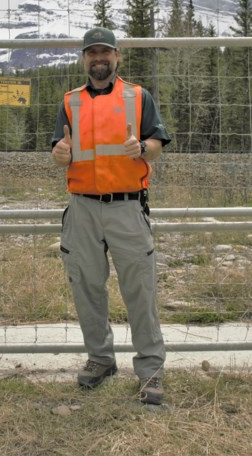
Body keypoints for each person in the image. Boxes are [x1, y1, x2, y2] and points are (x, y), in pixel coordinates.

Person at [50, 26, 171, 406]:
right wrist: (59, 154)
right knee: (86, 285)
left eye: (105, 53)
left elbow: (157, 144)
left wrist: (144, 147)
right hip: (83, 208)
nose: (99, 59)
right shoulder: (70, 101)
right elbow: (59, 144)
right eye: (92, 53)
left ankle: (150, 370)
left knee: (139, 288)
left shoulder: (138, 97)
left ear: (117, 57)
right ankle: (101, 359)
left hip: (127, 206)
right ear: (84, 59)